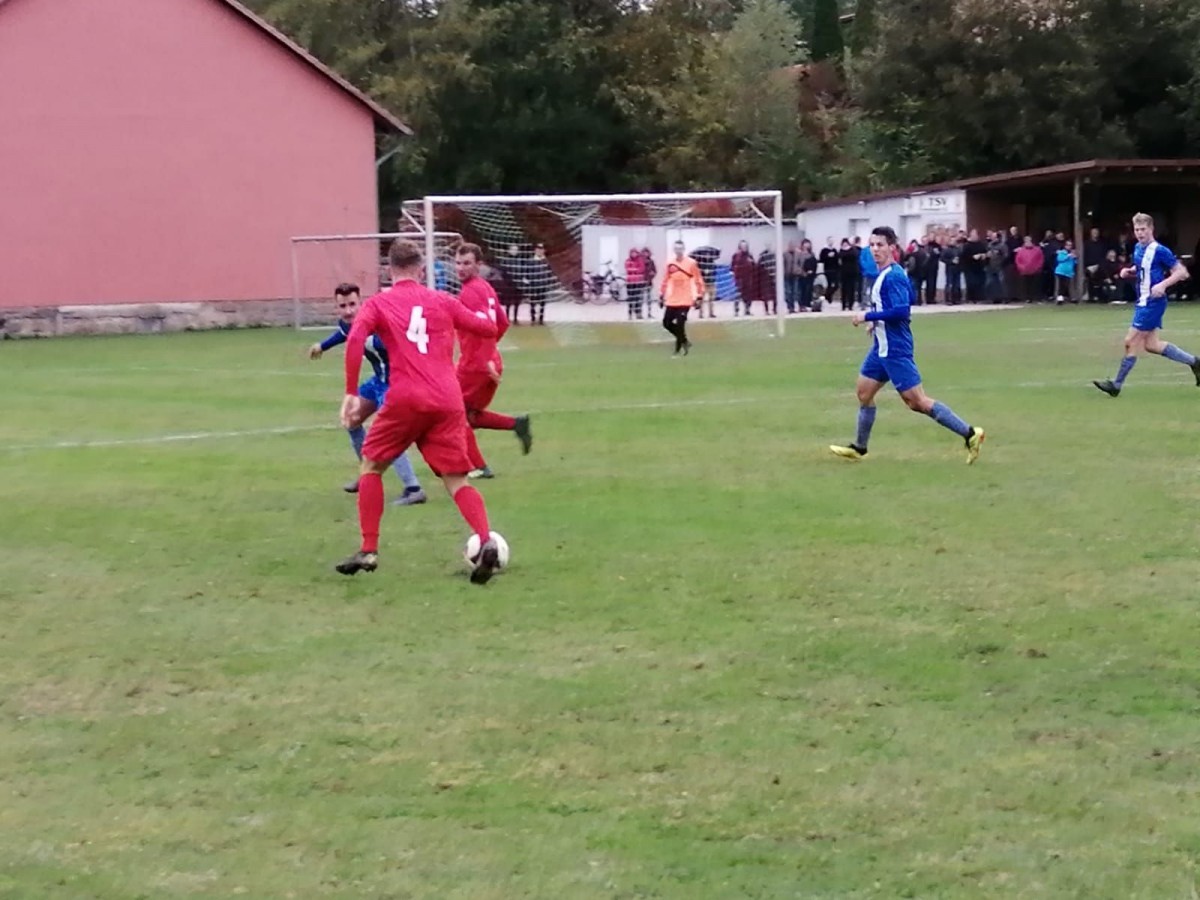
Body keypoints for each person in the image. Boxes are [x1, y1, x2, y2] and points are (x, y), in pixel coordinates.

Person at [334, 239, 502, 584]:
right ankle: (486, 539)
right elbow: (489, 327)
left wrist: (351, 392)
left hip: (406, 398)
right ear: (422, 268)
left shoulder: (379, 303)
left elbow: (354, 340)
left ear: (389, 269)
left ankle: (369, 550)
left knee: (371, 465)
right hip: (447, 400)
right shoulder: (443, 300)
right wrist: (491, 306)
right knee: (455, 479)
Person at [830, 226, 985, 464]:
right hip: (880, 348)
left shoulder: (893, 275)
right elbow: (897, 302)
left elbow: (903, 310)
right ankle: (859, 447)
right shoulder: (883, 274)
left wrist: (868, 317)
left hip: (895, 349)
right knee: (864, 393)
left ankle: (970, 433)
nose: (875, 249)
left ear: (892, 247)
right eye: (872, 245)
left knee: (917, 402)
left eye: (880, 245)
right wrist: (876, 321)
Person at [308, 282, 427, 506]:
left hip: (396, 384)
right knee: (351, 419)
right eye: (342, 306)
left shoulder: (378, 324)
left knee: (388, 434)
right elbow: (343, 334)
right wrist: (322, 346)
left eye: (352, 304)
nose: (348, 311)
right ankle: (368, 474)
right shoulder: (349, 323)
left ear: (361, 302)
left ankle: (414, 488)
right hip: (378, 382)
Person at [1092, 212, 1198, 398]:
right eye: (1137, 229)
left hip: (1153, 302)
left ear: (1151, 229)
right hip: (1142, 301)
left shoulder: (1160, 250)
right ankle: (1195, 362)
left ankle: (1116, 385)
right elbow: (1141, 267)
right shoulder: (1138, 248)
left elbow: (1181, 272)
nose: (1140, 233)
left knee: (1130, 341)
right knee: (1152, 345)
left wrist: (1163, 285)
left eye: (1143, 229)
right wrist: (1128, 271)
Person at [454, 243, 533, 478]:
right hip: (490, 362)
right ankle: (516, 425)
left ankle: (478, 466)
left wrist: (482, 355)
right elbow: (502, 323)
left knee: (454, 414)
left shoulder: (469, 292)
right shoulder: (485, 288)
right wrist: (490, 353)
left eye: (467, 263)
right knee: (472, 416)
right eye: (458, 263)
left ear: (479, 265)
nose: (461, 268)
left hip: (475, 365)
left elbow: (488, 326)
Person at [658, 240, 705, 356]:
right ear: (674, 250)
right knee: (666, 323)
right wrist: (661, 294)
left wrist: (699, 296)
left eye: (680, 249)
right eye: (676, 249)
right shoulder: (670, 263)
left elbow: (699, 280)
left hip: (686, 299)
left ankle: (678, 350)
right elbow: (665, 280)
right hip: (673, 298)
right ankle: (684, 340)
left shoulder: (691, 263)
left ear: (683, 250)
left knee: (680, 324)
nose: (678, 251)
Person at [527, 242, 553, 325]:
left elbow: (549, 273)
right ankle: (533, 317)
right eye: (538, 250)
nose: (539, 251)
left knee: (542, 302)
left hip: (543, 285)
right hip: (533, 285)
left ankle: (541, 318)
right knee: (533, 302)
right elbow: (528, 273)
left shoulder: (546, 261)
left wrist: (548, 282)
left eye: (541, 250)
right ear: (535, 250)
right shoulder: (531, 261)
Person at [624, 246, 647, 321]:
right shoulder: (628, 260)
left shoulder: (640, 260)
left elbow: (642, 269)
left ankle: (638, 313)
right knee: (630, 298)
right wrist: (635, 269)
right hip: (630, 282)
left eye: (635, 253)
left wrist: (633, 270)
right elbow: (627, 268)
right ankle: (630, 313)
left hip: (638, 282)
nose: (633, 254)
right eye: (632, 253)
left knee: (638, 298)